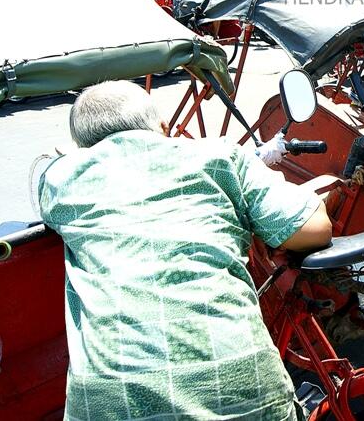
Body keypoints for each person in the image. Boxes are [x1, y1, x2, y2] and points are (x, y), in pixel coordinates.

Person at [39, 81, 332, 421]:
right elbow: (313, 229)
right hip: (244, 397)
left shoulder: (62, 179)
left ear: (81, 147)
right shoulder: (220, 155)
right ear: (164, 128)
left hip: (112, 405)